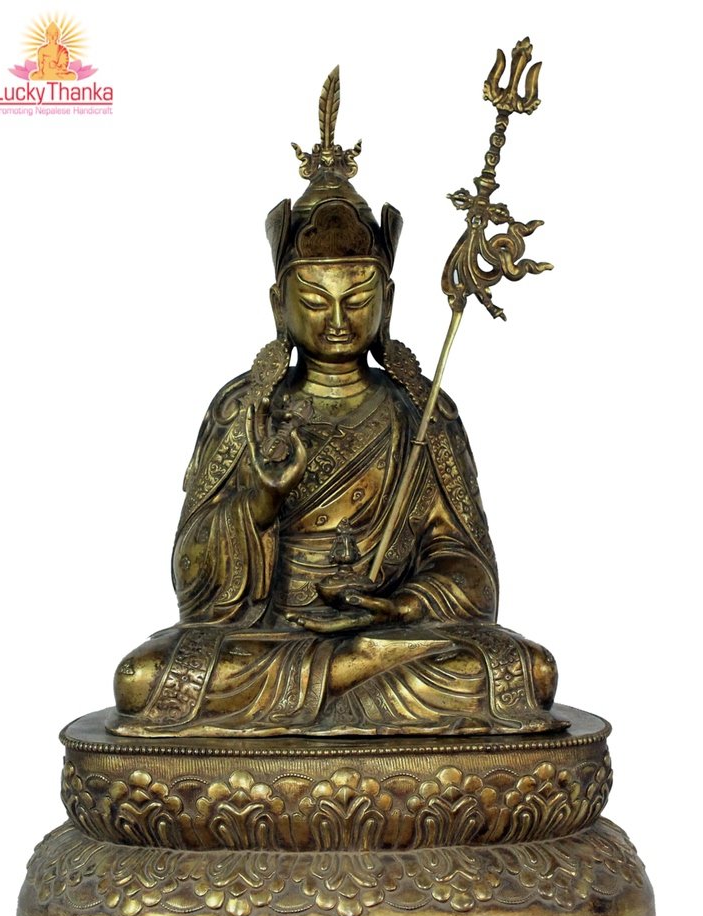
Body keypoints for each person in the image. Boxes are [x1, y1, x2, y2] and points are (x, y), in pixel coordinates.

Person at [108, 90, 564, 740]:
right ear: (279, 304)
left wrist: (401, 606)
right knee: (141, 679)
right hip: (269, 640)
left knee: (529, 670)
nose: (339, 319)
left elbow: (470, 572)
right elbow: (193, 582)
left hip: (395, 639)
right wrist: (259, 506)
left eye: (358, 297)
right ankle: (349, 674)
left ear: (388, 301)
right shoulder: (247, 409)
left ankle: (355, 667)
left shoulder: (423, 414)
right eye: (316, 300)